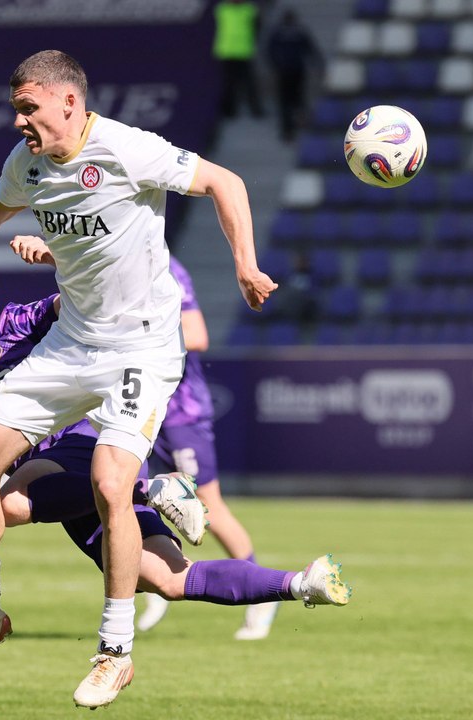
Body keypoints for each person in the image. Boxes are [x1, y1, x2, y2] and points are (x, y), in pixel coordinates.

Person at [0, 50, 277, 709]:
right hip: (72, 343)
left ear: (69, 102)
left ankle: (115, 653)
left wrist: (245, 265)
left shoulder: (128, 149)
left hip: (141, 346)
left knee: (110, 483)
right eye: (15, 109)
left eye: (28, 108)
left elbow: (226, 182)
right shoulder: (26, 164)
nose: (18, 120)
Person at [0, 261, 349, 674]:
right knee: (166, 580)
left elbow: (80, 304)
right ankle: (301, 583)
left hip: (87, 445)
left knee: (4, 507)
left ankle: (149, 490)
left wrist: (63, 257)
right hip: (64, 496)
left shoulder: (19, 323)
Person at [135, 256, 281, 640]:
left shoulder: (166, 267)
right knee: (130, 493)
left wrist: (134, 336)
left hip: (180, 411)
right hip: (140, 405)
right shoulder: (119, 258)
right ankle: (154, 580)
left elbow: (197, 335)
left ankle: (262, 593)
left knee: (208, 502)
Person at [265, 9, 321, 142]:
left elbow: (269, 51)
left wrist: (275, 65)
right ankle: (293, 128)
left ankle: (289, 130)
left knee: (287, 102)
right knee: (296, 100)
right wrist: (317, 64)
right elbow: (311, 50)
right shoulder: (299, 32)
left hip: (287, 71)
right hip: (294, 71)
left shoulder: (279, 33)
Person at [213, 0, 266, 119]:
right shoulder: (222, 9)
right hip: (227, 51)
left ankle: (255, 109)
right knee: (229, 84)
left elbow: (258, 26)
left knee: (249, 83)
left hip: (244, 51)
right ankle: (229, 111)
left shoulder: (249, 10)